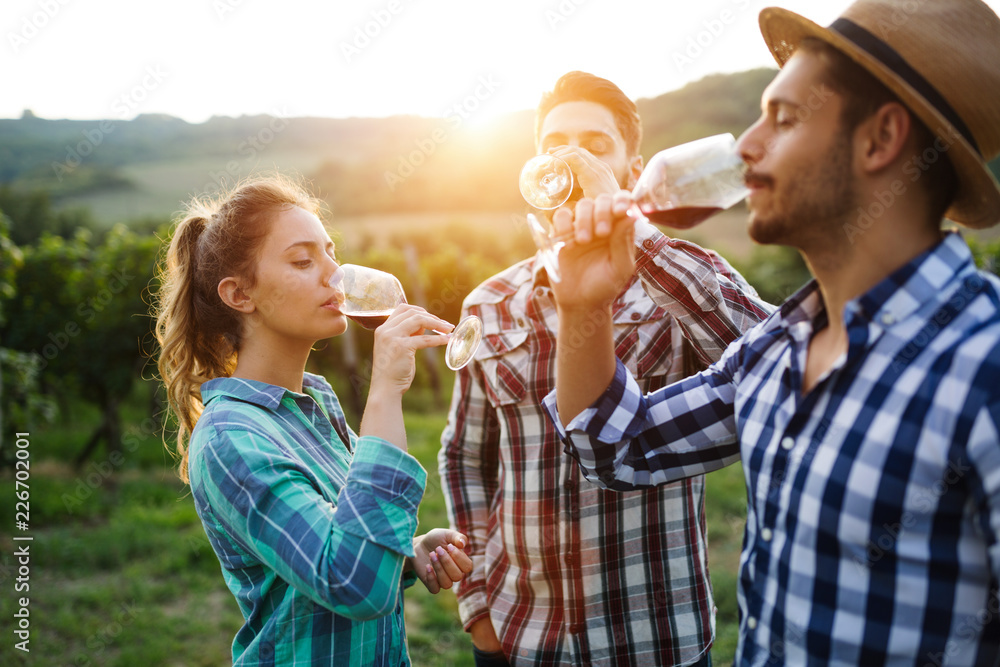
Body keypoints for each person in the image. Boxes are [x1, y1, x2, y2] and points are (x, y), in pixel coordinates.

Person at [544, 1, 1000, 665]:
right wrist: (584, 306)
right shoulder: (776, 347)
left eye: (783, 119)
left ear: (881, 140)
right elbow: (617, 447)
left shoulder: (985, 365)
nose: (746, 145)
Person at [439, 71, 773, 666]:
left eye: (594, 145)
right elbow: (465, 457)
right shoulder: (487, 305)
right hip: (521, 635)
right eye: (553, 144)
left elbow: (780, 361)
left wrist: (632, 229)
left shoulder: (674, 286)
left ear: (630, 167)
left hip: (655, 637)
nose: (569, 158)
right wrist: (479, 605)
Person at [154, 175, 473, 666]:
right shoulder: (230, 439)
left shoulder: (315, 403)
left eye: (330, 253)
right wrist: (386, 390)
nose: (335, 275)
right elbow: (354, 585)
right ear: (240, 294)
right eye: (304, 261)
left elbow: (338, 533)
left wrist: (407, 552)